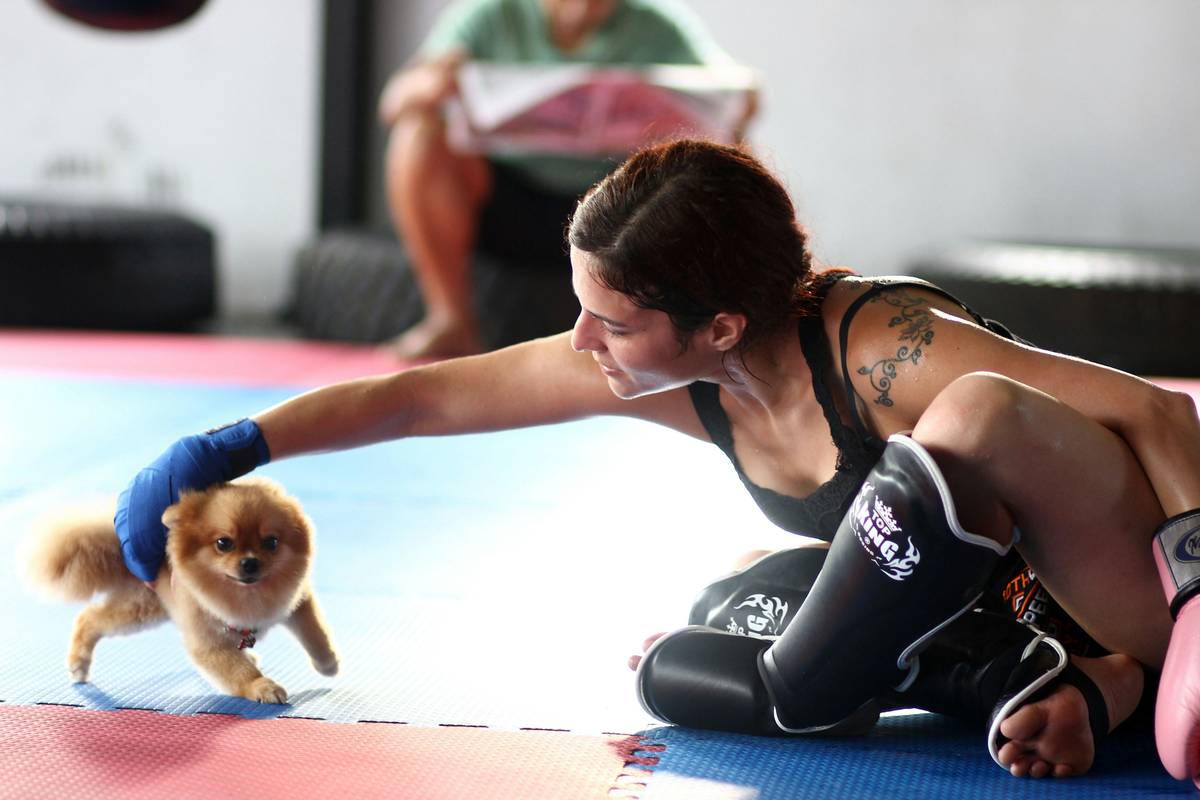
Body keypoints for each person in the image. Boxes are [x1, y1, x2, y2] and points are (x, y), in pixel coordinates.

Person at [115, 139, 1200, 780]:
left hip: (1121, 577)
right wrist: (236, 442)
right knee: (728, 596)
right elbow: (428, 392)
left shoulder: (881, 352)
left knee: (974, 416)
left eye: (610, 320)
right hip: (980, 588)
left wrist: (1197, 605)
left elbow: (1153, 412)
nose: (585, 344)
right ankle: (1066, 687)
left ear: (721, 323)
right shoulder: (672, 365)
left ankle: (1108, 669)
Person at [375, 0, 754, 359]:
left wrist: (739, 99)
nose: (581, 9)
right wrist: (431, 85)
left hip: (618, 209)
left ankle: (718, 306)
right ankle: (450, 319)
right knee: (418, 135)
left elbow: (729, 94)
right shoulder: (490, 14)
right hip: (503, 199)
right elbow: (394, 101)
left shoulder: (653, 22)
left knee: (724, 151)